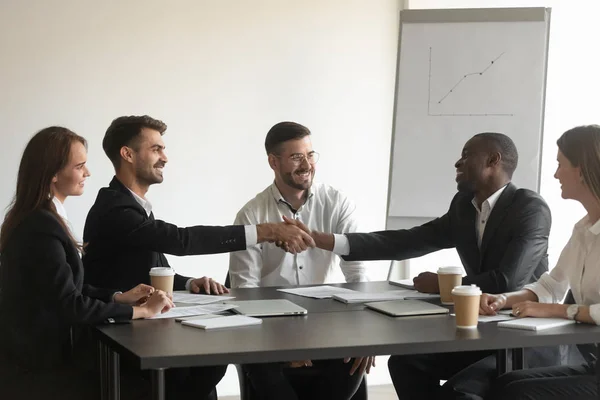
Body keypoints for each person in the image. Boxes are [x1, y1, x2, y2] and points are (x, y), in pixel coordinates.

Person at [296, 132, 555, 399]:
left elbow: (507, 281)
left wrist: (447, 285)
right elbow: (408, 240)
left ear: (493, 160)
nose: (458, 162)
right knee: (406, 363)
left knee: (460, 390)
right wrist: (323, 240)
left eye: (466, 155)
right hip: (482, 332)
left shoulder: (529, 208)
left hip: (523, 340)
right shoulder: (465, 207)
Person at [82, 115, 314, 399]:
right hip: (120, 339)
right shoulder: (116, 208)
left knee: (215, 355)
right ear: (127, 154)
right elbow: (182, 240)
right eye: (156, 149)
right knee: (213, 356)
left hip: (142, 327)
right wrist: (264, 231)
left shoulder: (132, 205)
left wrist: (189, 282)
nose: (165, 158)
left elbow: (151, 270)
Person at [0, 127, 174, 399]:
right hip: (40, 368)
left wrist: (119, 297)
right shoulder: (41, 226)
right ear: (53, 174)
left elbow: (66, 289)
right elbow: (69, 304)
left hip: (45, 359)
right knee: (147, 387)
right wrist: (141, 312)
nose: (88, 173)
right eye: (80, 166)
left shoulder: (43, 218)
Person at [229, 121, 369, 399]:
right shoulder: (251, 215)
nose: (306, 165)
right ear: (273, 161)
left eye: (310, 155)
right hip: (269, 329)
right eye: (296, 157)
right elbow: (244, 291)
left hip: (329, 324)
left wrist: (364, 334)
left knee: (354, 361)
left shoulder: (338, 204)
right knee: (263, 368)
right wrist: (287, 346)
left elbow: (358, 273)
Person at [482, 125, 600, 400]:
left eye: (561, 164)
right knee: (504, 383)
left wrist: (561, 311)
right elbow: (551, 285)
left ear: (581, 170)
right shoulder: (583, 231)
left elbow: (556, 305)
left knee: (519, 394)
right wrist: (502, 299)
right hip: (596, 365)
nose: (556, 174)